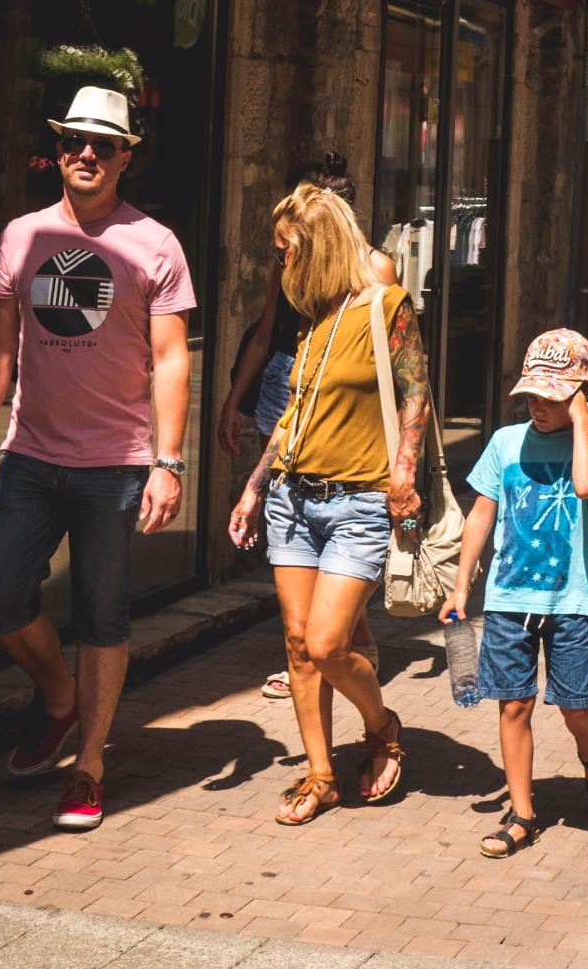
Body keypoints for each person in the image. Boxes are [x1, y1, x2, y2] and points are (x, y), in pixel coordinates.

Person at [0, 86, 195, 831]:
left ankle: (89, 763)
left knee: (102, 614)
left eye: (104, 144)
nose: (86, 154)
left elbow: (171, 359)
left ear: (127, 156)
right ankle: (58, 697)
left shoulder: (155, 244)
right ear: (57, 150)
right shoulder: (22, 235)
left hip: (116, 462)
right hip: (29, 453)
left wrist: (169, 462)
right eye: (73, 142)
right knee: (0, 594)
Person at [225, 182, 425, 825]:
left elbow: (417, 395)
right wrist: (255, 487)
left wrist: (404, 471)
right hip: (292, 500)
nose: (281, 263)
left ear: (319, 248)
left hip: (360, 505)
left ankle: (382, 724)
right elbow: (291, 419)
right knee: (296, 643)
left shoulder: (386, 307)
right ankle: (319, 774)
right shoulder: (311, 325)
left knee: (328, 641)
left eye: (287, 251)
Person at [215, 152, 397, 703]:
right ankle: (317, 647)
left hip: (345, 411)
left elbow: (392, 375)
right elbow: (270, 330)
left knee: (336, 543)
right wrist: (233, 399)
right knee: (295, 515)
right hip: (288, 388)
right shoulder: (288, 259)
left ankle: (341, 644)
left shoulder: (376, 271)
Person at [440, 329, 588, 859]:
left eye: (554, 396)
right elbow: (481, 514)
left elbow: (586, 486)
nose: (540, 406)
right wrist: (460, 584)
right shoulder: (504, 443)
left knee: (576, 707)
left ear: (578, 394)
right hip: (507, 600)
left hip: (570, 601)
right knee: (514, 705)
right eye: (533, 395)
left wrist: (583, 423)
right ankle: (522, 815)